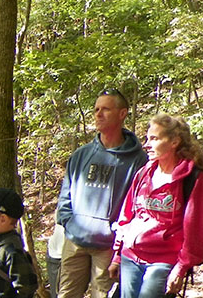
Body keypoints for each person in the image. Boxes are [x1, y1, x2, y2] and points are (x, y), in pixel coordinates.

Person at [108, 114, 203, 298]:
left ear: (174, 142)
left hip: (163, 261)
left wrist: (181, 268)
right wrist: (117, 255)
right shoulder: (145, 173)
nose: (147, 144)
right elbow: (127, 215)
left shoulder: (192, 179)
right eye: (147, 139)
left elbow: (196, 229)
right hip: (130, 256)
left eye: (154, 139)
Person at [56, 89, 149, 298]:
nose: (98, 114)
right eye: (96, 109)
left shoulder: (137, 160)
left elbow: (138, 204)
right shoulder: (82, 155)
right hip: (75, 241)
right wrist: (68, 222)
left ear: (122, 113)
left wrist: (120, 238)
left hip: (109, 246)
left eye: (105, 109)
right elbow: (65, 195)